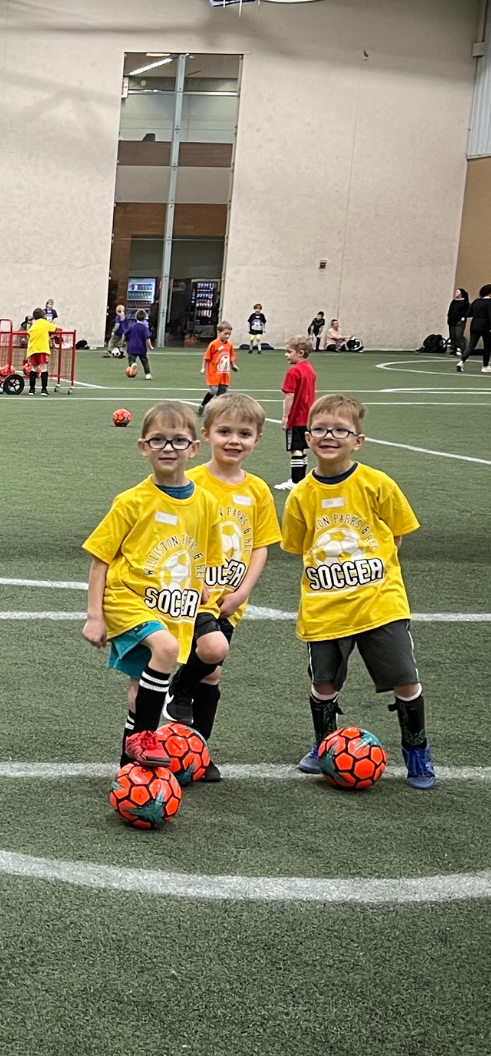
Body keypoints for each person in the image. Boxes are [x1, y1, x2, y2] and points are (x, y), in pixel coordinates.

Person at [281, 394, 433, 789]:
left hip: (380, 604)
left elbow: (397, 532)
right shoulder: (300, 495)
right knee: (323, 683)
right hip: (324, 609)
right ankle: (324, 744)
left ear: (358, 440)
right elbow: (300, 547)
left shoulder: (376, 483)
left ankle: (416, 748)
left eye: (340, 430)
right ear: (308, 436)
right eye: (320, 429)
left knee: (405, 679)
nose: (329, 436)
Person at [80, 400, 224, 771]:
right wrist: (95, 616)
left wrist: (203, 586)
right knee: (166, 647)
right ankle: (146, 738)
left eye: (178, 441)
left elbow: (204, 551)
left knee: (138, 693)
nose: (168, 448)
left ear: (194, 448)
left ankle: (129, 768)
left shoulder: (206, 502)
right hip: (127, 600)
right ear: (144, 447)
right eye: (158, 440)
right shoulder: (131, 502)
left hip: (175, 606)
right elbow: (100, 559)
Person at [164, 392, 280, 778]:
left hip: (231, 596)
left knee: (212, 673)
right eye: (224, 431)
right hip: (191, 594)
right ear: (206, 435)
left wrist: (243, 591)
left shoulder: (258, 490)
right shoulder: (190, 481)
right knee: (212, 650)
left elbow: (261, 545)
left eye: (244, 433)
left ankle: (197, 755)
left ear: (258, 439)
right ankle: (179, 689)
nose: (234, 440)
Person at [276, 335, 318, 491]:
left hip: (297, 417)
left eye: (289, 352)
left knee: (296, 449)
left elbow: (289, 395)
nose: (286, 355)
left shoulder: (294, 371)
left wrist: (286, 417)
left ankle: (295, 481)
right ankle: (301, 479)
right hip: (309, 416)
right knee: (303, 447)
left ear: (300, 353)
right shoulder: (309, 369)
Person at [199, 321, 235, 415]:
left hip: (224, 373)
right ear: (219, 332)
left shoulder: (229, 345)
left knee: (222, 394)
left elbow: (230, 357)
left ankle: (217, 412)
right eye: (225, 333)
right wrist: (203, 368)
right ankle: (203, 405)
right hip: (214, 372)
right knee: (214, 390)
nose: (227, 336)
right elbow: (206, 358)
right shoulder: (213, 344)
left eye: (229, 334)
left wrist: (233, 366)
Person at [25, 306, 56, 395]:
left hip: (33, 349)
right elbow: (54, 328)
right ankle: (44, 389)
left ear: (34, 317)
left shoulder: (33, 325)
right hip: (42, 349)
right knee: (43, 368)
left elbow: (28, 334)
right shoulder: (45, 323)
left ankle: (31, 389)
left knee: (33, 368)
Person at [464, 285, 491, 373]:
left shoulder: (476, 301)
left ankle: (462, 361)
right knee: (487, 346)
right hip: (485, 326)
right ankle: (485, 366)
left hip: (474, 324)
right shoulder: (489, 302)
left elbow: (468, 313)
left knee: (471, 345)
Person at [124, 309, 154, 378]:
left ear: (135, 317)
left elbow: (124, 334)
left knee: (131, 359)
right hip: (141, 347)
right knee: (144, 361)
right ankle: (147, 374)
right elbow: (147, 338)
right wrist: (150, 346)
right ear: (144, 319)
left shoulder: (132, 326)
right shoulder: (144, 328)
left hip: (132, 346)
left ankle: (132, 364)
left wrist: (123, 342)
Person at [448, 287, 471, 366]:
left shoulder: (465, 303)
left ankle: (463, 350)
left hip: (459, 321)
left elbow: (468, 311)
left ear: (461, 293)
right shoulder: (453, 302)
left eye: (457, 292)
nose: (456, 293)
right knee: (453, 335)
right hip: (451, 321)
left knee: (459, 335)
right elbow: (450, 310)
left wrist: (463, 317)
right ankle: (453, 349)